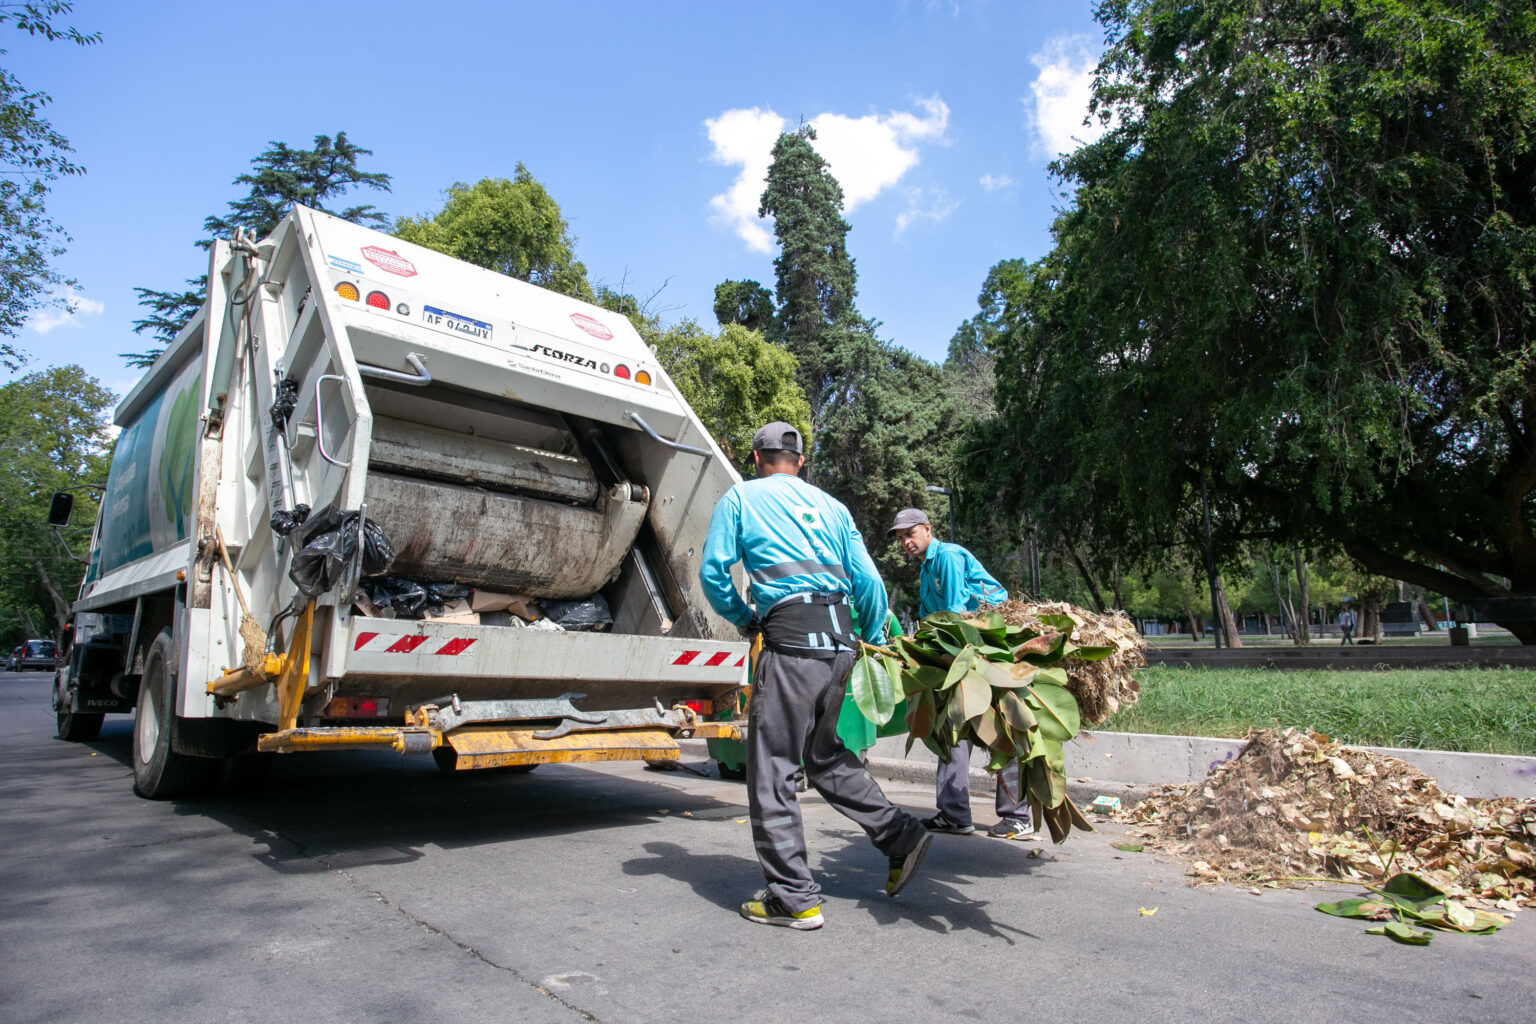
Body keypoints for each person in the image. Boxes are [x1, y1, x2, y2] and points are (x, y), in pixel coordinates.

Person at [700, 423, 933, 931]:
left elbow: (713, 572)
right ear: (799, 462)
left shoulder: (740, 498)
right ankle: (901, 836)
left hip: (790, 645)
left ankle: (792, 898)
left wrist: (743, 618)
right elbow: (869, 581)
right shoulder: (834, 507)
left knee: (773, 768)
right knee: (824, 756)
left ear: (757, 457)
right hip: (841, 646)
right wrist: (869, 639)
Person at [889, 508, 1030, 839]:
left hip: (988, 644)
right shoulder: (926, 570)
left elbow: (953, 612)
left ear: (927, 529)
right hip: (957, 648)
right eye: (900, 538)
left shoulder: (948, 557)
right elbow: (928, 618)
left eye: (910, 534)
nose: (905, 542)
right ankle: (954, 814)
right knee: (951, 727)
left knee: (1002, 727)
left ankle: (1017, 816)